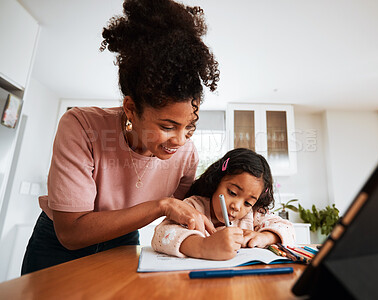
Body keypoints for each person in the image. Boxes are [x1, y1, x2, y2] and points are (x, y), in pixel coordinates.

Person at [21, 0, 220, 274]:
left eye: (189, 127)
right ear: (131, 108)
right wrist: (162, 205)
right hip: (58, 248)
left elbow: (186, 212)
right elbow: (71, 232)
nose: (180, 140)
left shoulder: (186, 155)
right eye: (168, 125)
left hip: (124, 242)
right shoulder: (81, 127)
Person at [152, 148, 296, 260]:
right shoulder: (194, 207)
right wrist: (204, 246)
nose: (237, 206)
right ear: (217, 181)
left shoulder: (253, 215)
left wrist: (265, 237)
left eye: (248, 202)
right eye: (232, 193)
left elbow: (288, 229)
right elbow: (161, 235)